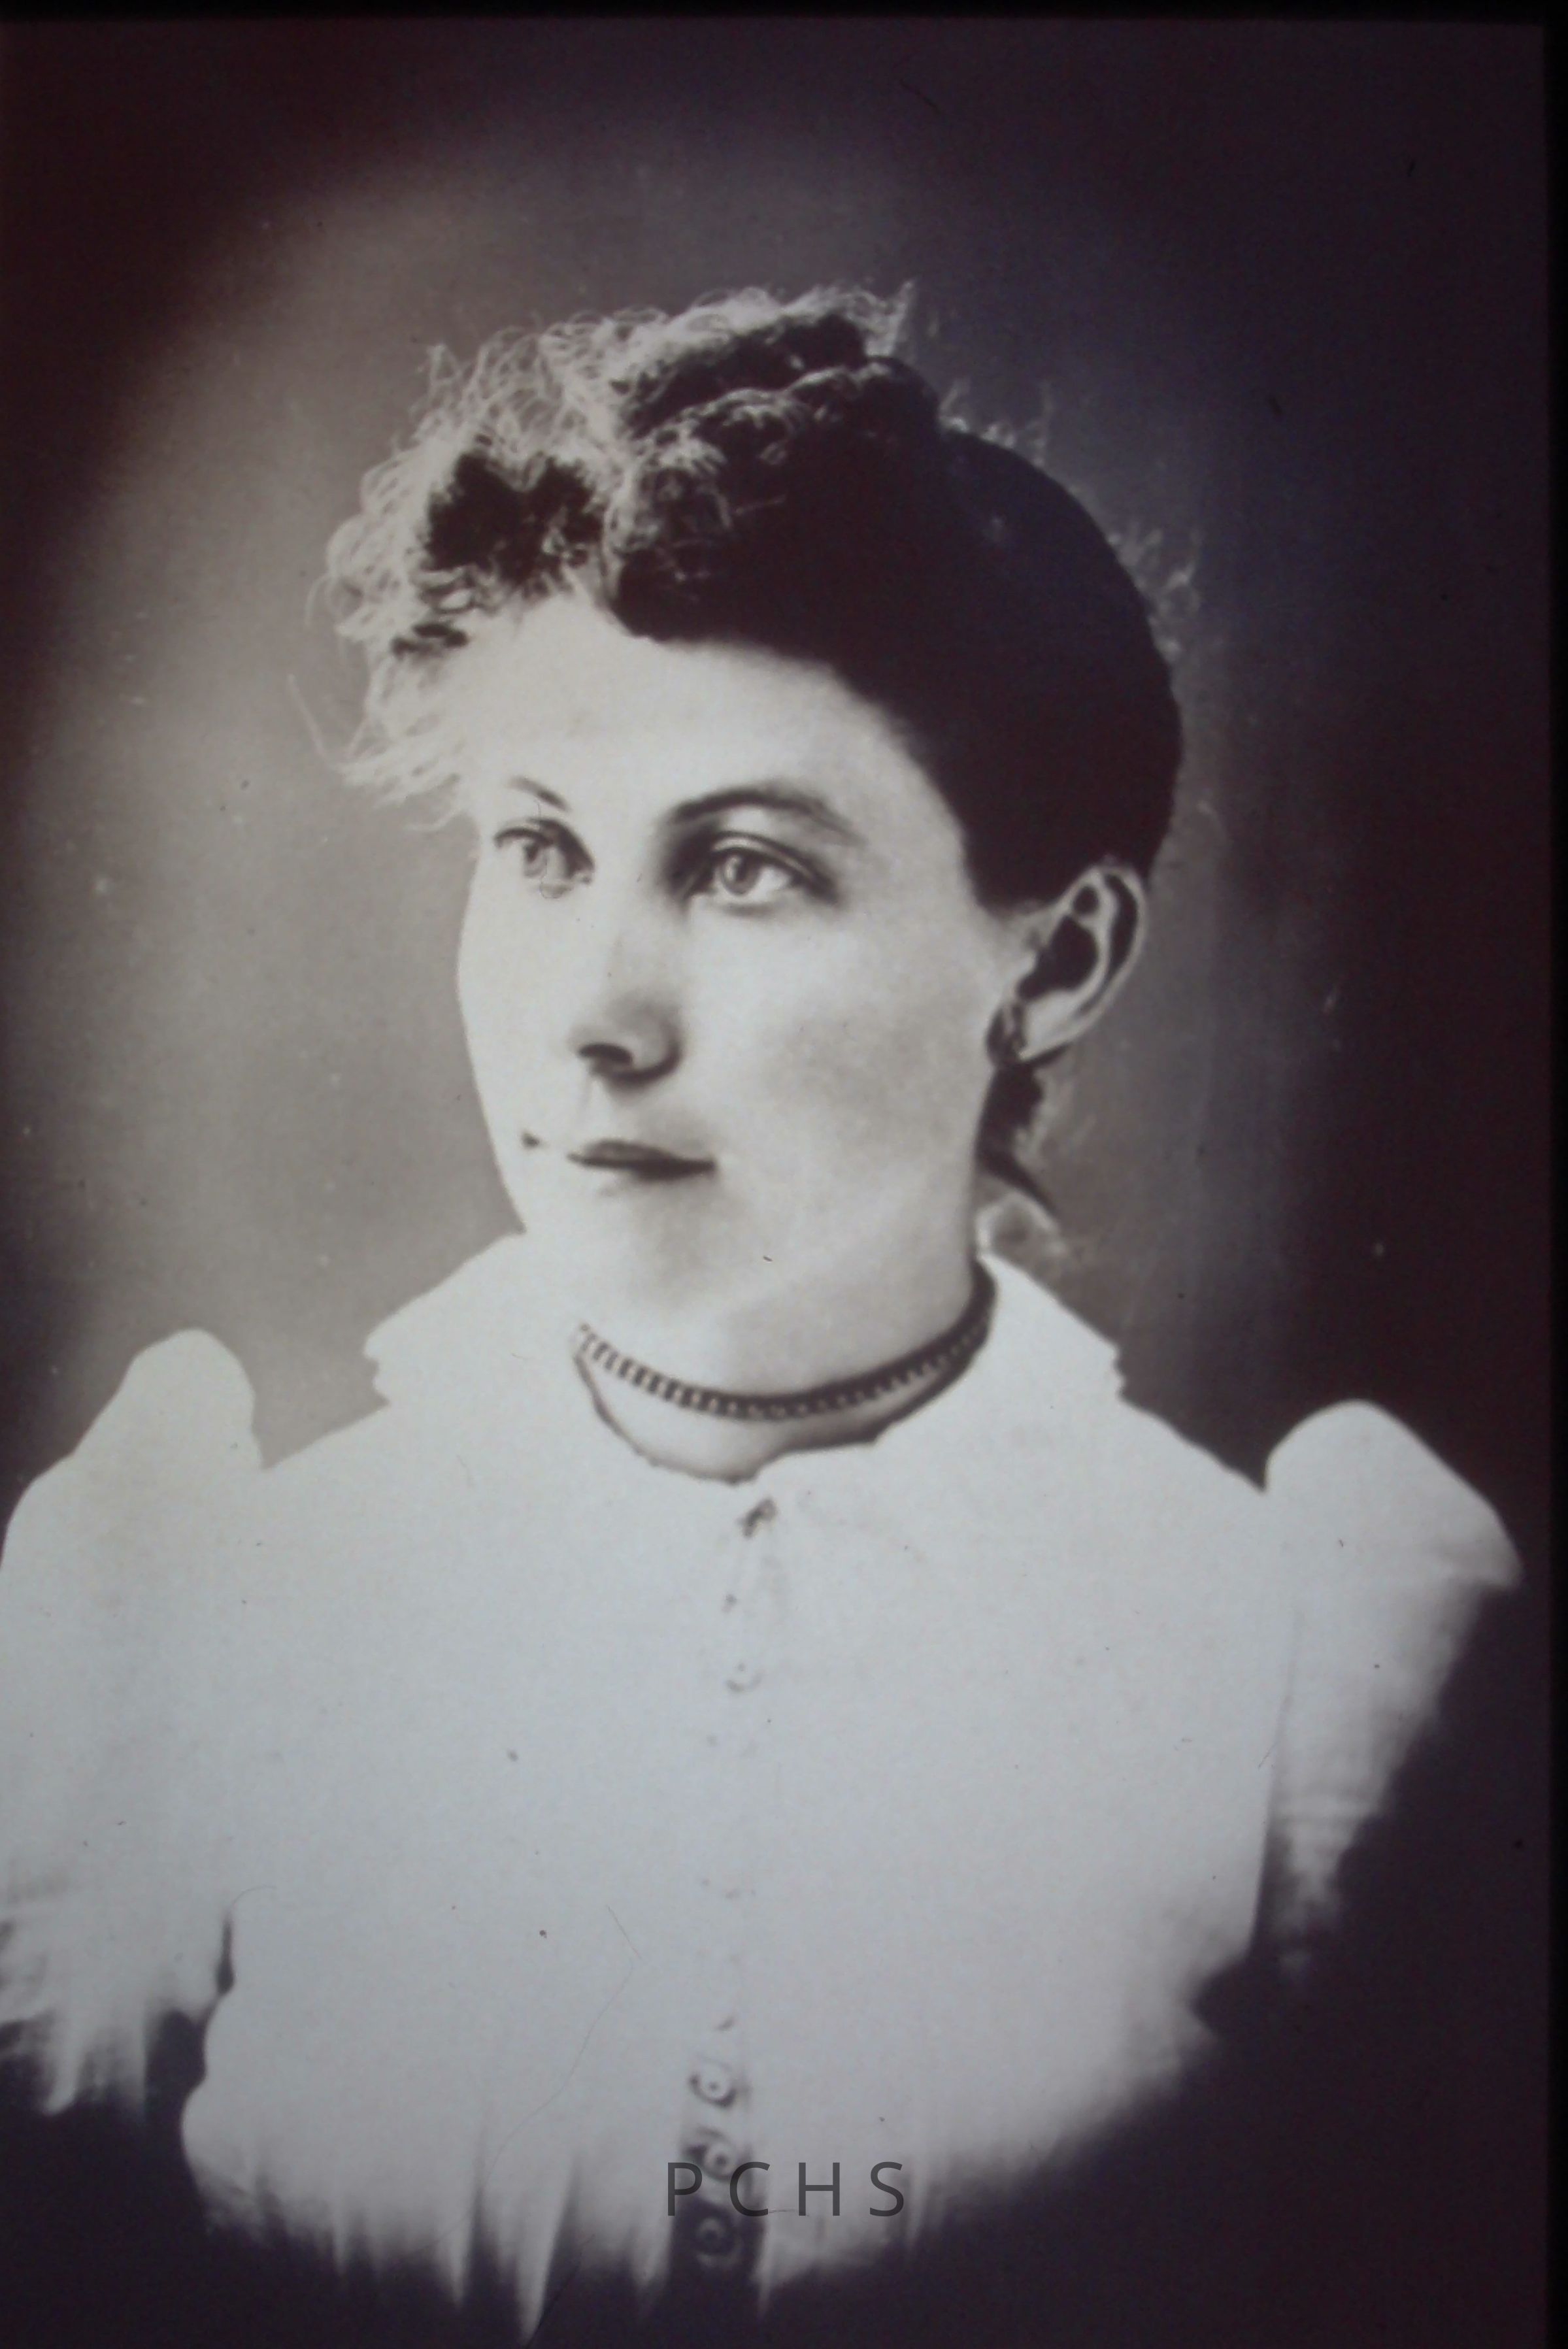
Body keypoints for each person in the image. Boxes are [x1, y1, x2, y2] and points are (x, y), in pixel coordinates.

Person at [0, 288, 1522, 2346]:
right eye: (541, 847)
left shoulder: (1290, 1662)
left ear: (1059, 958)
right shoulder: (206, 1605)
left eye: (744, 869)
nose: (593, 1018)